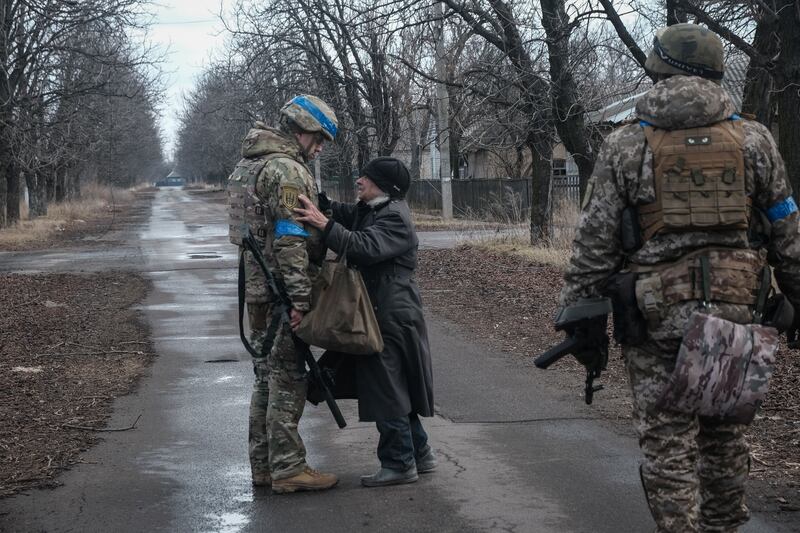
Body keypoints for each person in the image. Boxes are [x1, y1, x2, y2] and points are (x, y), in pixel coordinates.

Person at [558, 24, 800, 532]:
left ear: (658, 68)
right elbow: (787, 229)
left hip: (657, 316)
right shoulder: (754, 139)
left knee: (668, 445)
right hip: (737, 310)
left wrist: (580, 315)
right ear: (714, 71)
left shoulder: (627, 144)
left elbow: (595, 242)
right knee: (724, 438)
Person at [294, 156, 436, 487]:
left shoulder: (395, 218)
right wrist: (324, 205)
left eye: (366, 179)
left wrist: (323, 224)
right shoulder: (374, 208)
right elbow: (348, 213)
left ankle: (399, 463)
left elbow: (364, 246)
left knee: (386, 389)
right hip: (379, 310)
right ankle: (421, 453)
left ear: (383, 187)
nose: (359, 181)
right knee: (393, 387)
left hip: (391, 316)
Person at [227, 94, 339, 494]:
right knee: (288, 379)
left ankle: (264, 467)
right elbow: (291, 239)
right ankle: (289, 468)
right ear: (301, 130)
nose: (321, 146)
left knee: (264, 379)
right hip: (281, 291)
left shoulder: (250, 164)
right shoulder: (287, 170)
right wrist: (299, 300)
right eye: (319, 137)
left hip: (258, 289)